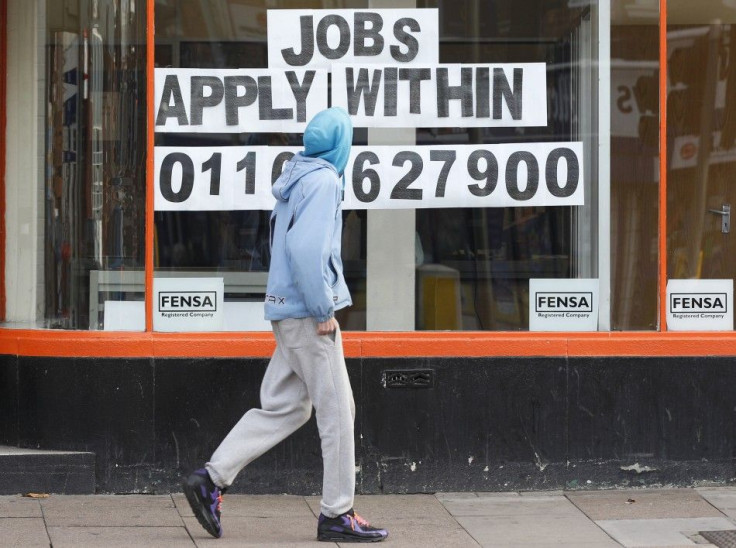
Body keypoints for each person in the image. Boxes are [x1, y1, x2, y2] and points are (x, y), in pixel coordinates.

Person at [182, 107, 388, 543]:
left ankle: (210, 478)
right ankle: (338, 513)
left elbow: (285, 243)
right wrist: (322, 308)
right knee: (338, 412)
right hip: (308, 315)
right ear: (342, 144)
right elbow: (305, 247)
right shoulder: (326, 181)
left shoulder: (296, 175)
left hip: (284, 312)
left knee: (286, 407)